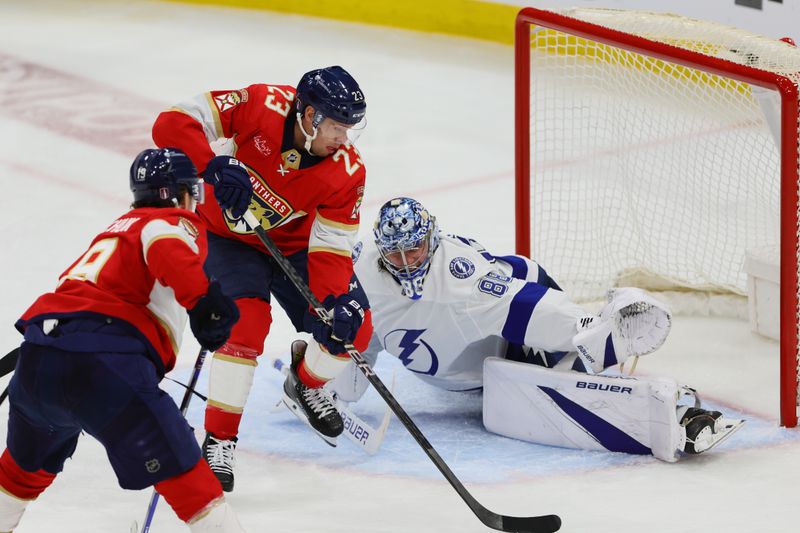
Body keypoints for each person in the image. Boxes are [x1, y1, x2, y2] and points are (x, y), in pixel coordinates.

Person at [328, 197, 743, 462]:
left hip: (508, 334)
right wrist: (322, 358)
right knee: (343, 363)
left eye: (414, 248)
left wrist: (590, 331)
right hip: (458, 372)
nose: (406, 261)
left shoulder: (461, 278)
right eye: (395, 254)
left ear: (431, 238)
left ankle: (603, 344)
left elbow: (524, 309)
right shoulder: (361, 268)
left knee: (560, 365)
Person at [152, 66, 373, 491]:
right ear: (307, 115)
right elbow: (172, 121)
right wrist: (210, 165)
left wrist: (333, 300)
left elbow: (331, 246)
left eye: (349, 130)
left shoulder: (348, 171)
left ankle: (304, 383)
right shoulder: (260, 104)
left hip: (296, 249)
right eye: (336, 127)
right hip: (227, 238)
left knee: (354, 328)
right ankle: (219, 437)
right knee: (245, 326)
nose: (343, 139)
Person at [0, 148, 245, 532]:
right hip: (101, 367)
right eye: (191, 194)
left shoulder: (117, 227)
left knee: (19, 474)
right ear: (176, 194)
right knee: (189, 479)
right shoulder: (169, 222)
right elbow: (167, 246)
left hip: (37, 362)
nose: (194, 204)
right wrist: (202, 301)